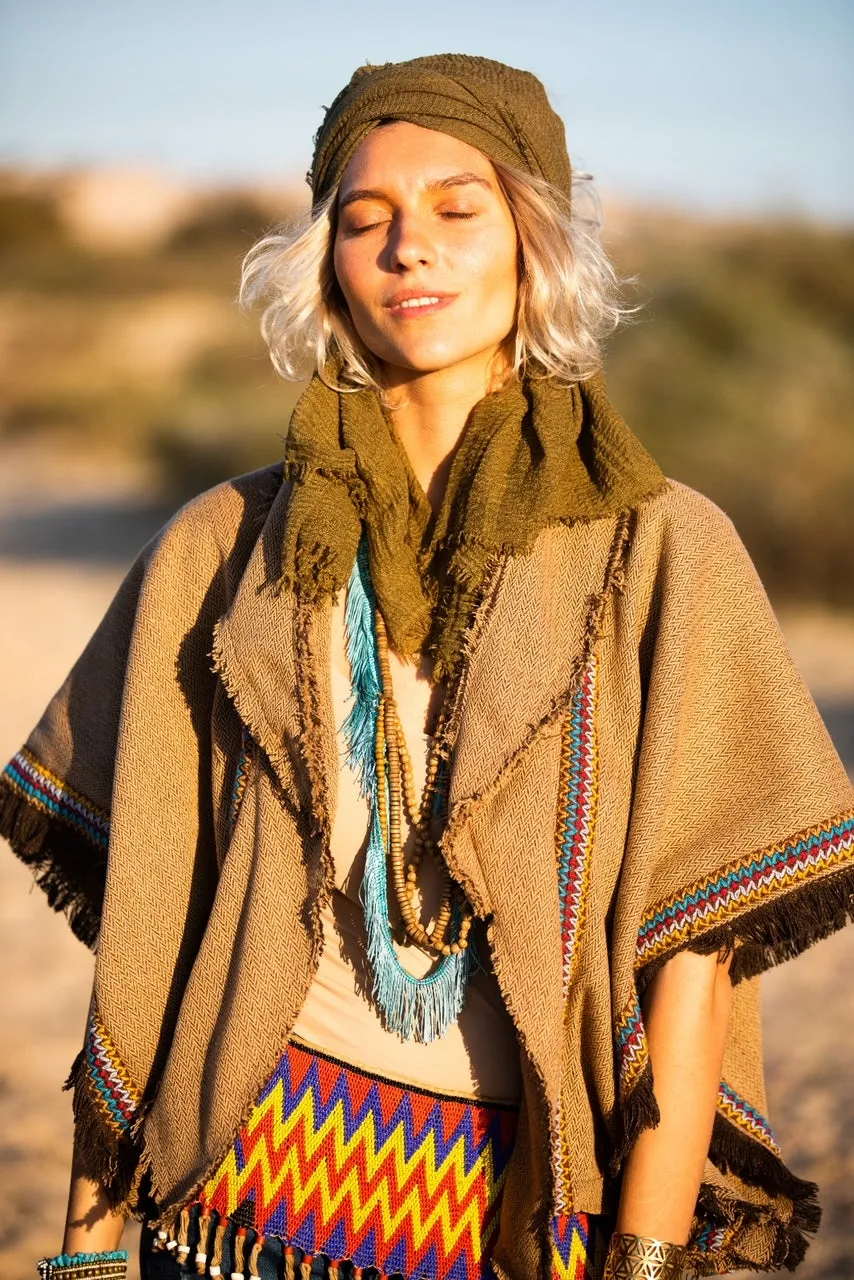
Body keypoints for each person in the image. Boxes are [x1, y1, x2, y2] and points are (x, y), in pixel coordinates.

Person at [3, 54, 853, 1280]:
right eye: (367, 220)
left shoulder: (660, 548)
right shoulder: (222, 547)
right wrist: (80, 1256)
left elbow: (691, 963)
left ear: (532, 240)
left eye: (459, 209)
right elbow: (145, 924)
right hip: (233, 1213)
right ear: (328, 263)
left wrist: (647, 1256)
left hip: (519, 1222)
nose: (411, 249)